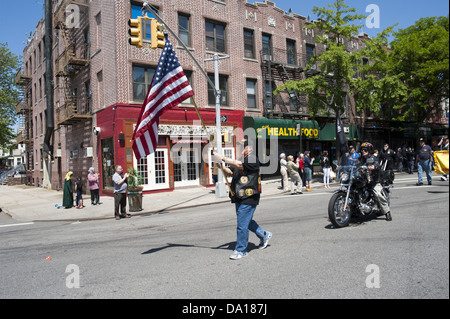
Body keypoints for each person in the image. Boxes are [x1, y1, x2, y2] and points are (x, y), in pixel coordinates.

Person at [213, 139, 272, 260]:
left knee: (242, 224)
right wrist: (221, 167)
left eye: (244, 146)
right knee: (246, 221)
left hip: (249, 195)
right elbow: (231, 173)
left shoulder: (253, 159)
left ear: (250, 147)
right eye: (241, 146)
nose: (243, 148)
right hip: (239, 196)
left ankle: (241, 250)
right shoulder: (241, 160)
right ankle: (264, 235)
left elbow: (240, 166)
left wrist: (223, 158)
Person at [360, 142, 392, 221]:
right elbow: (355, 165)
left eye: (365, 150)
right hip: (363, 180)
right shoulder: (361, 159)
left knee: (378, 193)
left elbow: (377, 164)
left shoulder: (373, 158)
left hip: (373, 180)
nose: (363, 151)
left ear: (369, 150)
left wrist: (373, 166)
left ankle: (387, 212)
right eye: (362, 150)